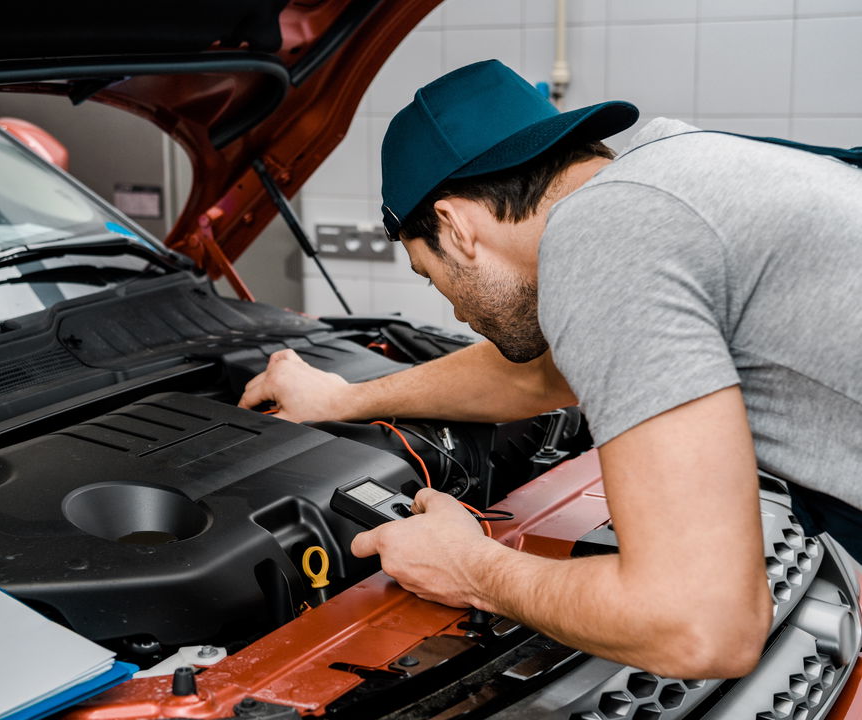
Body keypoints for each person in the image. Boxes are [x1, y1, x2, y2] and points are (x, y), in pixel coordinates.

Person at [239, 60, 862, 679]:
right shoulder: (670, 174)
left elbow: (701, 626)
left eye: (432, 275)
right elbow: (541, 376)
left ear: (455, 227)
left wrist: (471, 569)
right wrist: (342, 400)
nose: (455, 309)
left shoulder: (604, 239)